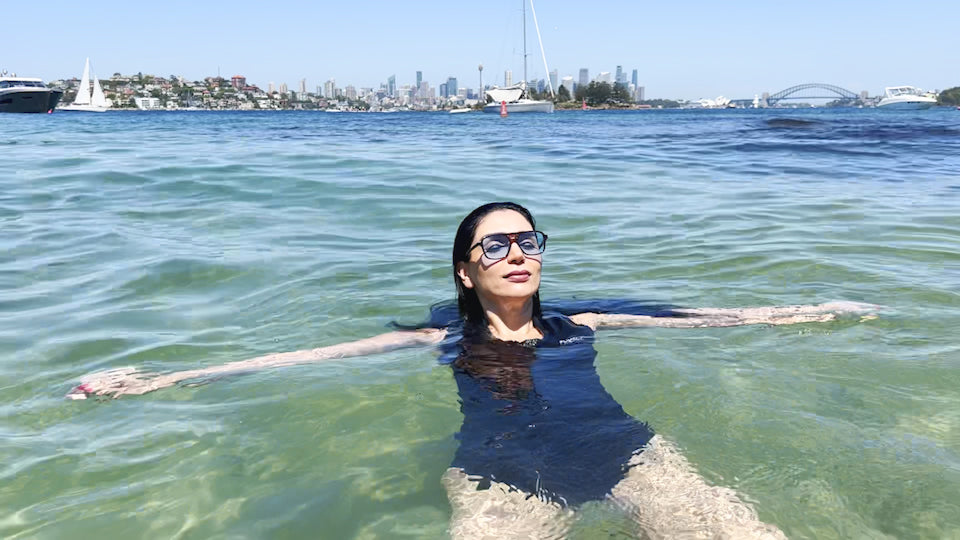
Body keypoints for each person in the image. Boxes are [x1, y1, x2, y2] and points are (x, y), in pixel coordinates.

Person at [68, 202, 876, 538]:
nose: (518, 253)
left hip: (627, 451)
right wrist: (165, 379)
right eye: (496, 244)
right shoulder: (433, 338)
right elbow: (299, 358)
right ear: (466, 270)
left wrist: (806, 309)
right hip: (501, 476)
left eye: (529, 241)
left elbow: (711, 319)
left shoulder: (581, 321)